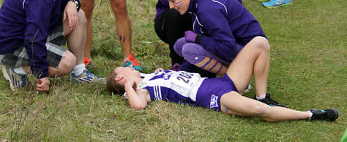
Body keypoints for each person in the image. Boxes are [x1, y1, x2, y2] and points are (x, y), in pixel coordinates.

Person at [106, 36, 339, 123]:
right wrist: (128, 84)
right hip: (213, 96)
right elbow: (138, 106)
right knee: (259, 111)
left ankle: (262, 94)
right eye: (124, 68)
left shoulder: (148, 76)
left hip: (220, 82)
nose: (130, 66)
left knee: (259, 43)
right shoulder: (142, 89)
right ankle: (310, 114)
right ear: (119, 77)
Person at [161, 0, 265, 76]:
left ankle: (235, 78)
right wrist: (182, 70)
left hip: (252, 54)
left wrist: (198, 39)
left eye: (173, 0)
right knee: (180, 44)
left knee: (189, 49)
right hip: (239, 47)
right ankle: (187, 74)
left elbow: (228, 47)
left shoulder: (206, 9)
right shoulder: (197, 2)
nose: (171, 6)